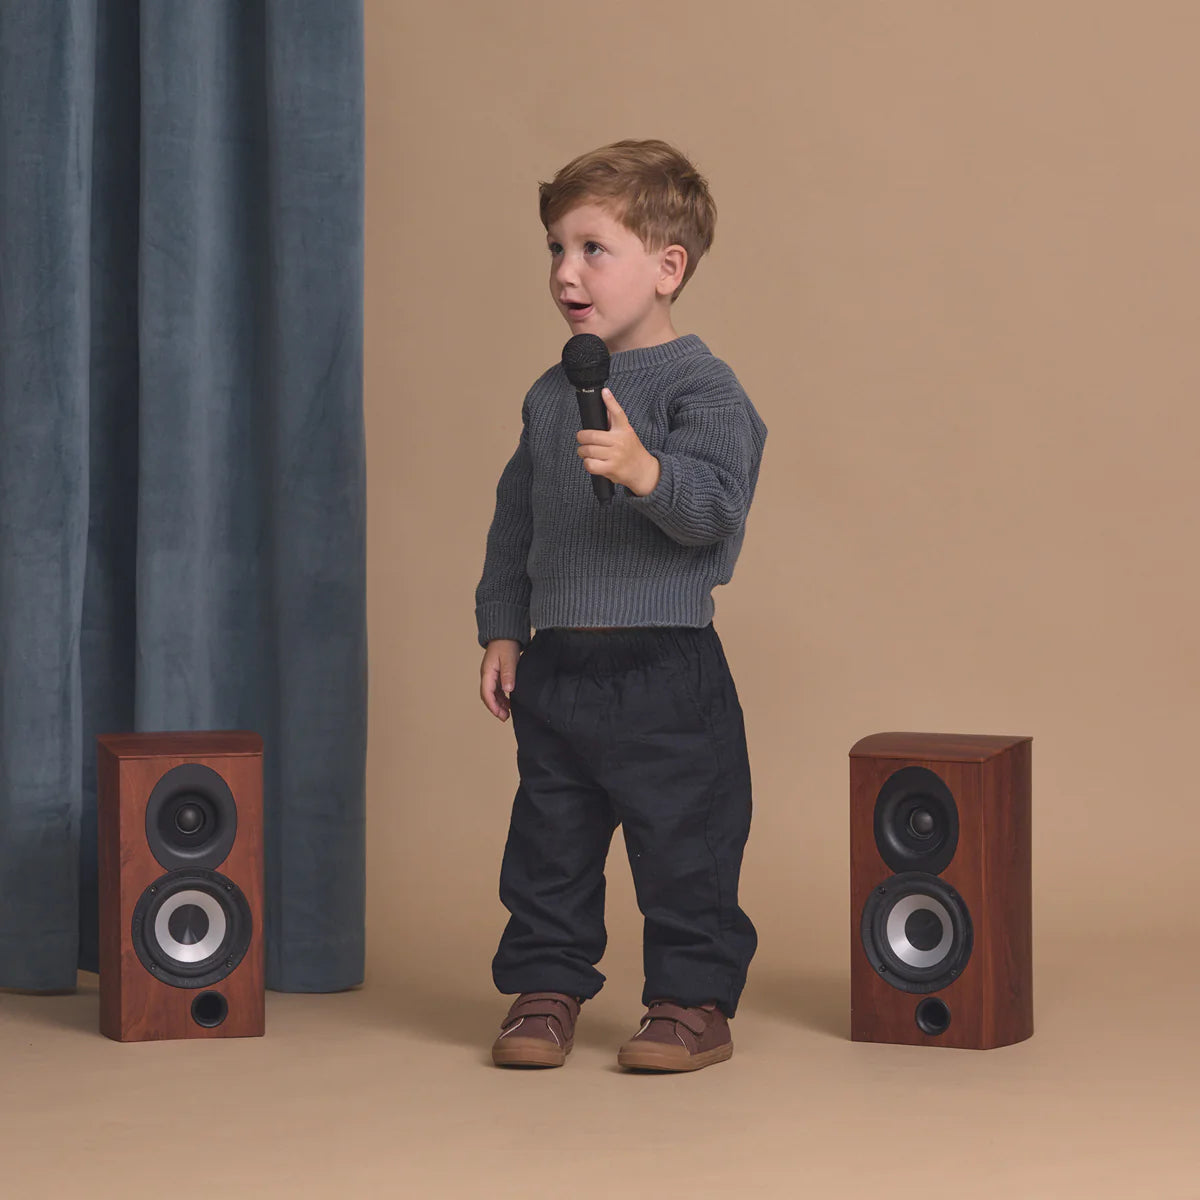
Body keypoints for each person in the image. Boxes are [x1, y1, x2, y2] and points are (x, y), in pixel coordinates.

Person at [474, 139, 767, 1072]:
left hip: (664, 666)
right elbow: (516, 520)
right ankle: (545, 987)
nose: (566, 272)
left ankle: (690, 1002)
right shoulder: (549, 394)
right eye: (556, 249)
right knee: (549, 842)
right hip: (560, 664)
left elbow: (716, 509)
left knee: (686, 842)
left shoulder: (703, 388)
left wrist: (647, 472)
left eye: (593, 248)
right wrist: (503, 628)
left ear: (667, 266)